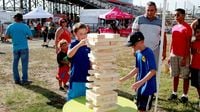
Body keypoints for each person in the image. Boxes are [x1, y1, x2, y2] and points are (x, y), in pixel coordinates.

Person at [120, 31, 157, 112]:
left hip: (147, 88)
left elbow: (153, 71)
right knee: (138, 107)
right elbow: (137, 68)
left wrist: (140, 82)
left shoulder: (149, 53)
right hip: (140, 87)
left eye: (133, 44)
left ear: (141, 42)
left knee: (143, 109)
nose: (132, 47)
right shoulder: (138, 53)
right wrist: (123, 79)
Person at [168, 8, 192, 103]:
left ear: (183, 15)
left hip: (184, 56)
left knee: (185, 76)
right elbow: (172, 42)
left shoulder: (188, 28)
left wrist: (185, 58)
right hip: (174, 54)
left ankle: (184, 95)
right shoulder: (174, 27)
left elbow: (188, 44)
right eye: (175, 15)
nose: (176, 17)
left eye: (178, 15)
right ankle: (174, 93)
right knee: (175, 75)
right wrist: (170, 54)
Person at [132, 1, 167, 66]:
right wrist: (134, 48)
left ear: (155, 10)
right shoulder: (139, 19)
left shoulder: (160, 22)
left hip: (155, 50)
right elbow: (133, 35)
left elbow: (164, 37)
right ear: (145, 10)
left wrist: (164, 51)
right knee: (140, 69)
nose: (149, 12)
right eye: (148, 10)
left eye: (152, 10)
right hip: (141, 49)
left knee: (153, 70)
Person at [5, 13, 33, 85]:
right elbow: (31, 37)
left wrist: (13, 37)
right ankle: (24, 80)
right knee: (24, 64)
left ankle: (16, 79)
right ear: (21, 19)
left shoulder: (10, 26)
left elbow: (6, 37)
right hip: (24, 47)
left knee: (15, 64)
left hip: (15, 47)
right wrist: (25, 37)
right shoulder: (25, 26)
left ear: (15, 18)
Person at [67, 22, 91, 101]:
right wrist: (79, 45)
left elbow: (91, 59)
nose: (83, 36)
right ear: (75, 34)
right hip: (76, 78)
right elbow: (69, 55)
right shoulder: (73, 44)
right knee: (74, 100)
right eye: (81, 34)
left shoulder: (88, 45)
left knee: (85, 100)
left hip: (87, 78)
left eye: (85, 33)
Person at [190, 21, 200, 107]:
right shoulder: (193, 43)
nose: (198, 34)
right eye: (197, 32)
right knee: (196, 84)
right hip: (194, 66)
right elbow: (192, 26)